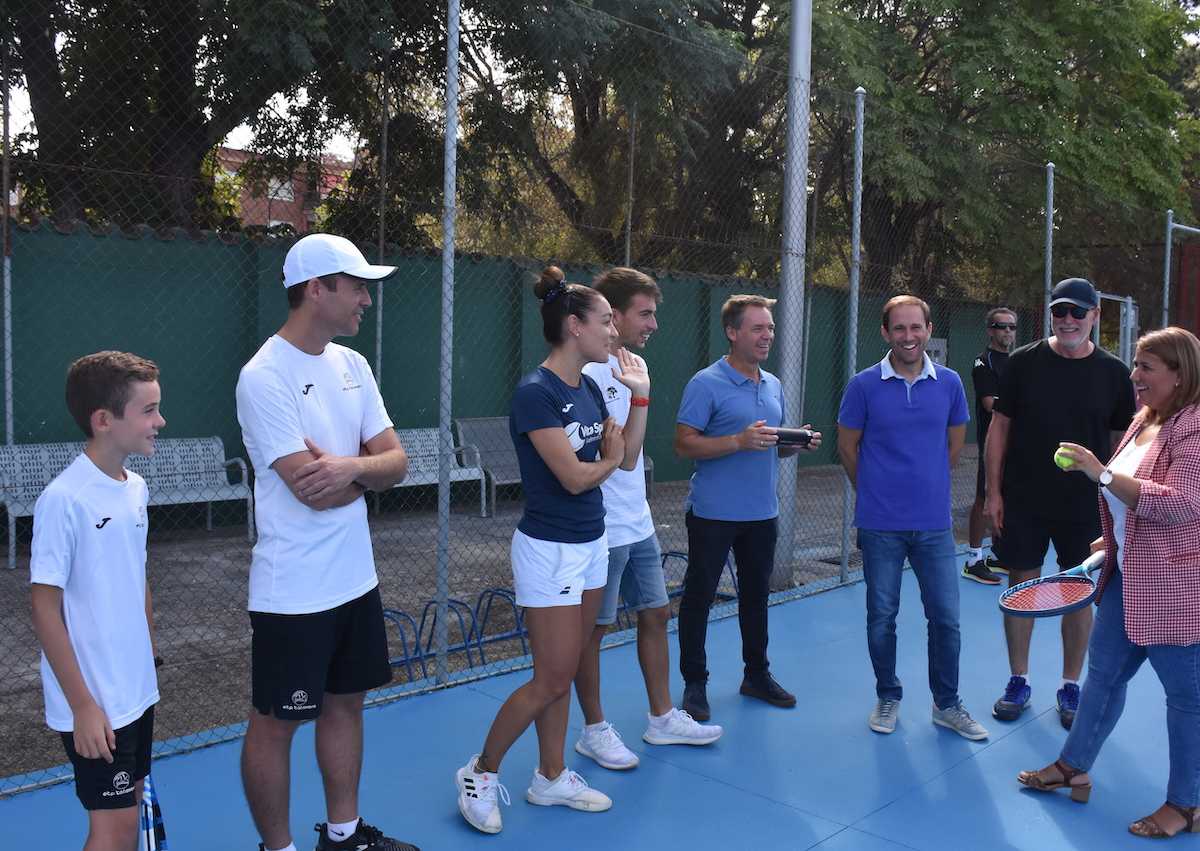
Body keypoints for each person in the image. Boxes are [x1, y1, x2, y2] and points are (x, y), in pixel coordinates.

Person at [455, 266, 650, 835]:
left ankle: (551, 774)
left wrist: (639, 400)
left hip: (592, 541)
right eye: (605, 322)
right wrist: (608, 460)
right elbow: (573, 477)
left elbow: (629, 457)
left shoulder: (587, 387)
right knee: (549, 678)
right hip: (550, 550)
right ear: (573, 327)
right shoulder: (536, 395)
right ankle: (480, 771)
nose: (614, 332)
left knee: (560, 675)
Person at [235, 234, 415, 851]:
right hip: (293, 593)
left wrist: (350, 470)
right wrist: (362, 472)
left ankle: (343, 836)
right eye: (357, 285)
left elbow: (397, 462)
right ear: (317, 289)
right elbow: (309, 489)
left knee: (346, 705)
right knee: (276, 723)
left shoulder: (352, 366)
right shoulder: (263, 376)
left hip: (354, 581)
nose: (367, 298)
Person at [1017, 326, 1200, 839]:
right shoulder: (1146, 419)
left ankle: (1186, 805)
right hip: (1126, 578)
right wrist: (1112, 543)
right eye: (1135, 364)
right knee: (1102, 679)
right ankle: (1073, 766)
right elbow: (1131, 503)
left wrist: (1099, 473)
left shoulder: (1195, 428)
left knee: (1187, 699)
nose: (1134, 375)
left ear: (1180, 374)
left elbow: (1182, 504)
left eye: (1146, 367)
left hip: (1173, 588)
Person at [572, 268, 722, 773]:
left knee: (656, 614)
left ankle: (662, 719)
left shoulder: (631, 364)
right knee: (592, 632)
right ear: (612, 316)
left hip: (637, 524)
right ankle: (593, 731)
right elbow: (627, 457)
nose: (654, 323)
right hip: (602, 529)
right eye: (646, 313)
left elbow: (631, 462)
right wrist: (641, 394)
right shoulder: (593, 374)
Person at [985, 278, 1136, 729]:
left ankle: (1071, 686)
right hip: (1025, 498)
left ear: (1095, 316)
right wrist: (994, 493)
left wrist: (1115, 500)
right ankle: (1018, 679)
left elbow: (1122, 442)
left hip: (1085, 506)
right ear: (1050, 315)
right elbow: (999, 429)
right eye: (1060, 312)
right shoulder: (1023, 363)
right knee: (1021, 586)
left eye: (1077, 312)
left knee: (1078, 595)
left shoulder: (1113, 373)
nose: (1067, 320)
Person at [837, 295, 988, 740]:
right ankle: (888, 694)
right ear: (885, 333)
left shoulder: (950, 383)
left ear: (927, 330)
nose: (908, 336)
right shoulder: (863, 386)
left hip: (934, 526)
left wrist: (924, 487)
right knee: (881, 616)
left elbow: (953, 448)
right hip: (880, 524)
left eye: (915, 328)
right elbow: (848, 448)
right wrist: (874, 492)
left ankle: (947, 704)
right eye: (899, 329)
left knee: (945, 617)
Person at [30, 351, 165, 851]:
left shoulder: (136, 489)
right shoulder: (64, 499)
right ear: (104, 421)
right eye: (148, 410)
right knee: (113, 830)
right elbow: (44, 607)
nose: (160, 421)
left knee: (127, 817)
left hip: (135, 693)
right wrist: (83, 706)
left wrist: (147, 655)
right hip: (94, 704)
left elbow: (137, 574)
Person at [673, 294, 822, 722]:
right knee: (699, 598)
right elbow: (683, 444)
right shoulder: (706, 383)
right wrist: (737, 441)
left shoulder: (772, 384)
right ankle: (695, 683)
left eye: (770, 328)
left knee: (756, 597)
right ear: (733, 332)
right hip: (713, 513)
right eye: (757, 328)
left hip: (761, 514)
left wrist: (795, 444)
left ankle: (756, 675)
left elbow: (770, 449)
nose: (767, 336)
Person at [963, 307, 1017, 584]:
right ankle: (973, 559)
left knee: (1008, 496)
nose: (1007, 332)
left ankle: (1000, 554)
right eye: (1000, 326)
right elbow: (989, 403)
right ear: (990, 330)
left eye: (1011, 327)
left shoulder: (1018, 361)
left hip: (1016, 446)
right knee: (984, 499)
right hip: (991, 444)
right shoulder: (983, 363)